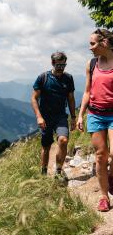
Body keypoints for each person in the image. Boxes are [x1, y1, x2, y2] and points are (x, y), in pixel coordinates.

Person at [77, 29, 113, 212]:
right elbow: (87, 92)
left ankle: (111, 176)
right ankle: (104, 196)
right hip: (96, 114)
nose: (90, 47)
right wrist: (80, 114)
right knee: (101, 155)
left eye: (93, 43)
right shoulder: (91, 64)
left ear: (104, 43)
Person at [31, 51, 76, 179]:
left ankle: (58, 171)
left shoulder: (68, 78)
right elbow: (34, 98)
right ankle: (44, 172)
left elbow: (71, 98)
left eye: (63, 65)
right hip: (45, 117)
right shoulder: (43, 77)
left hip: (61, 116)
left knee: (63, 140)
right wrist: (39, 116)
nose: (61, 68)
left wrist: (73, 117)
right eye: (59, 65)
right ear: (52, 63)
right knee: (46, 146)